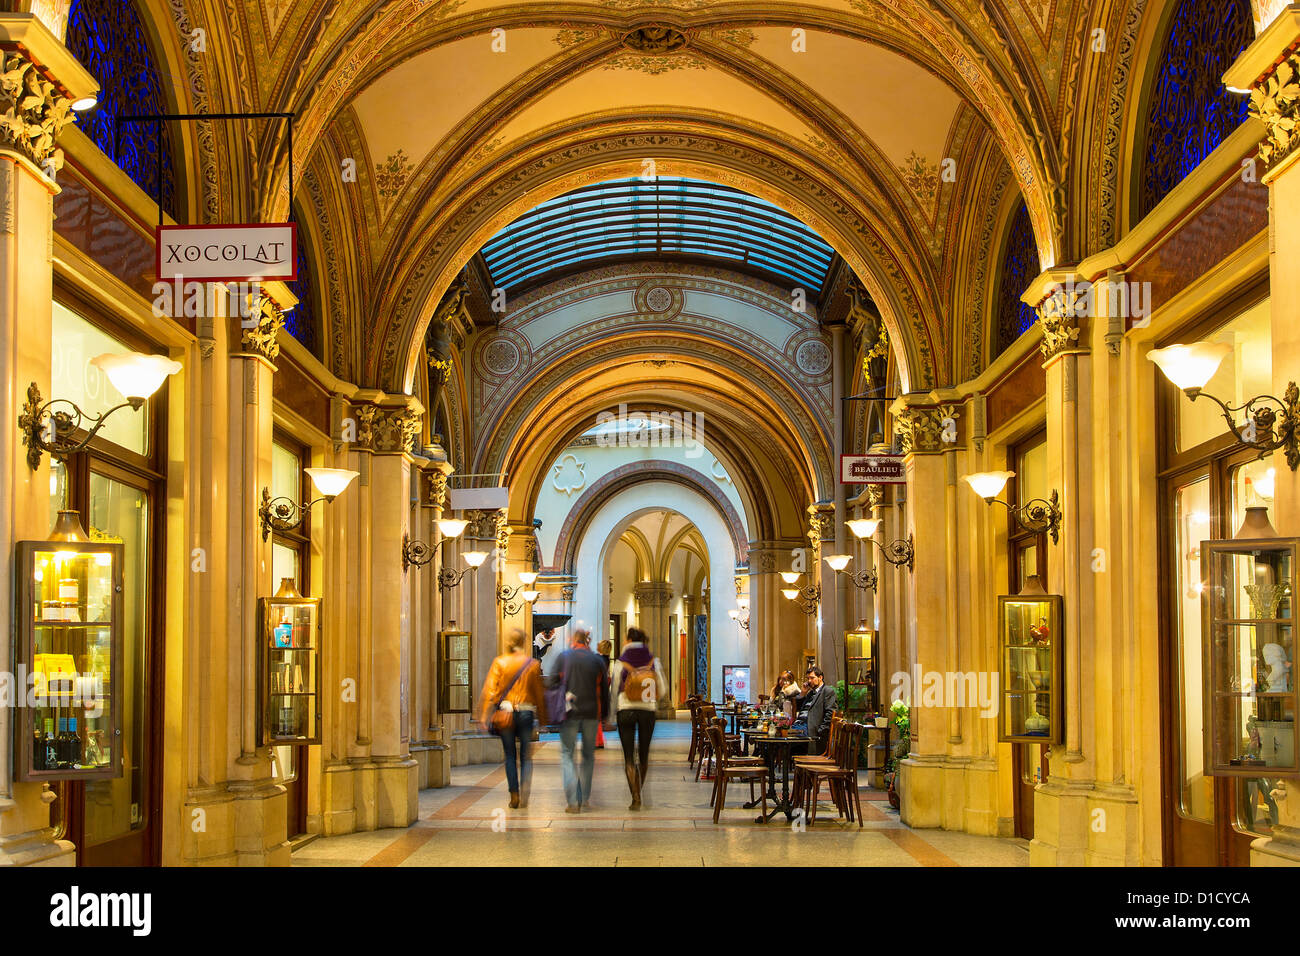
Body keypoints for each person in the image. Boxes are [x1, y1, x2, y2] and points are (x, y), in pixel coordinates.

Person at [479, 628, 548, 809]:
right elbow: (539, 694)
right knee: (525, 756)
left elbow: (490, 690)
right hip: (526, 713)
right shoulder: (532, 664)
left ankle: (514, 794)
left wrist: (484, 715)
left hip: (506, 714)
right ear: (523, 643)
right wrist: (543, 719)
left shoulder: (500, 662)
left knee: (510, 755)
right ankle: (525, 790)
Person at [549, 629, 609, 812]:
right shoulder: (597, 660)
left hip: (569, 713)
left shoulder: (564, 657)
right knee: (588, 757)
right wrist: (604, 715)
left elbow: (552, 682)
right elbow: (604, 690)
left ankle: (573, 801)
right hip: (591, 713)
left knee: (567, 754)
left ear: (573, 640)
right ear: (587, 641)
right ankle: (584, 798)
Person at [610, 627, 668, 810]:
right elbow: (663, 688)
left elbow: (614, 689)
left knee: (628, 756)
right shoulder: (653, 660)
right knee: (643, 755)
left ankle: (635, 797)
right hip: (647, 710)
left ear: (627, 640)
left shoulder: (621, 662)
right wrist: (652, 698)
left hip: (625, 709)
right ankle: (639, 791)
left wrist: (612, 712)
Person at [800, 666, 836, 754]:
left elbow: (830, 713)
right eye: (808, 678)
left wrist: (821, 731)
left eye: (812, 678)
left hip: (811, 730)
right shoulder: (810, 693)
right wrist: (803, 693)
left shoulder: (827, 691)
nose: (809, 681)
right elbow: (799, 709)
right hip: (800, 726)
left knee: (787, 746)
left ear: (820, 677)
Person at [595, 639, 614, 749]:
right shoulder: (606, 659)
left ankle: (598, 740)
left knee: (596, 717)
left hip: (598, 689)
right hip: (603, 689)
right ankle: (600, 740)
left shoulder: (599, 659)